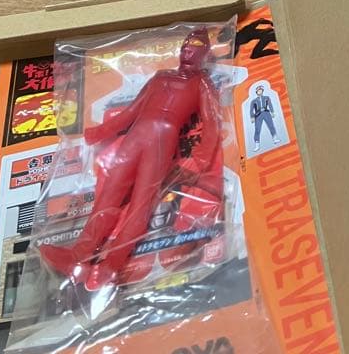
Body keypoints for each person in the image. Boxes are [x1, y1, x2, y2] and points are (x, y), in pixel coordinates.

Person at [39, 28, 221, 292]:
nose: (187, 49)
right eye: (186, 44)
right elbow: (132, 111)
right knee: (108, 196)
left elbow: (212, 123)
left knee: (141, 205)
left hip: (163, 140)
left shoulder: (202, 83)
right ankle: (78, 256)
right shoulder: (161, 76)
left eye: (194, 44)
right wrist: (101, 132)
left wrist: (200, 161)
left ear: (203, 52)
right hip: (137, 135)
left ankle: (111, 265)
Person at [250, 84, 278, 151]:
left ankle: (275, 139)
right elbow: (251, 110)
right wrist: (252, 117)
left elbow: (270, 105)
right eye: (258, 91)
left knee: (271, 126)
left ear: (262, 91)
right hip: (258, 115)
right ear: (256, 92)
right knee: (257, 129)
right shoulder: (253, 101)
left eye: (261, 90)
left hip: (266, 113)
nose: (259, 91)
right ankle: (257, 144)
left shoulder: (266, 98)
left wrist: (272, 112)